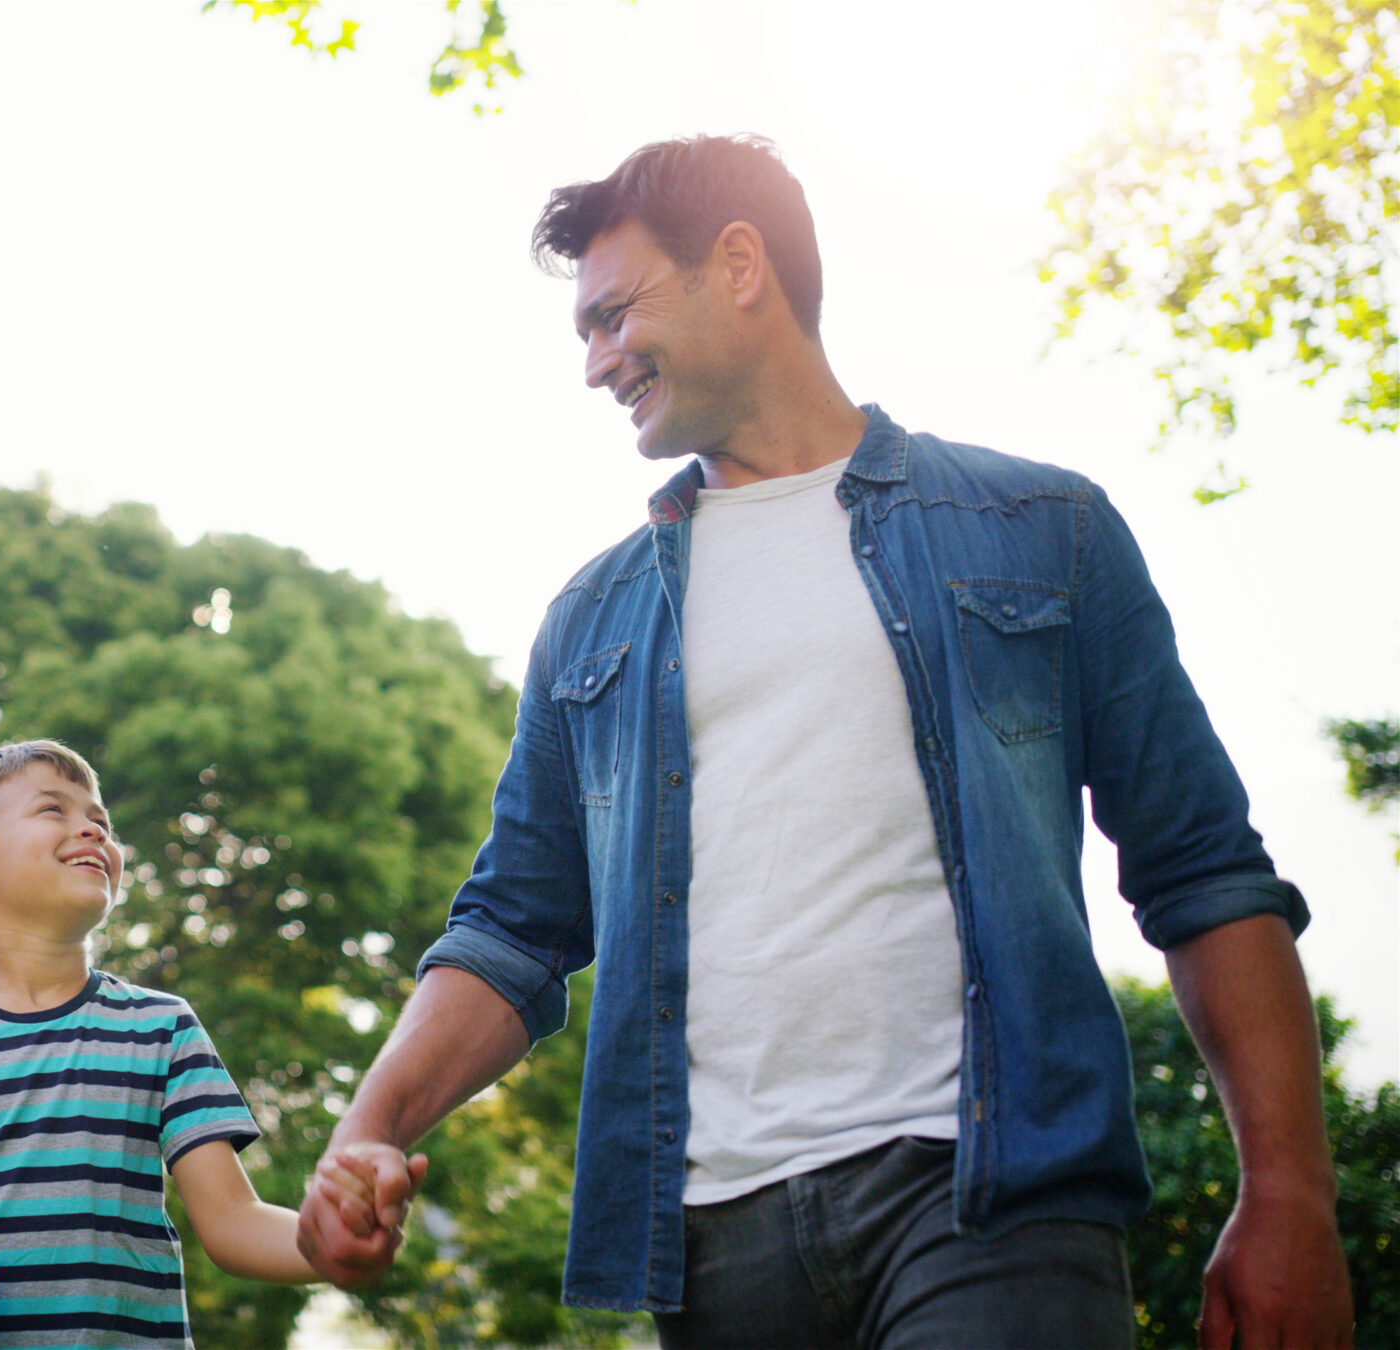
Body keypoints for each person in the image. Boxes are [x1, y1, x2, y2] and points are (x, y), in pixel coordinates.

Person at [298, 136, 1352, 1348]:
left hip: (990, 1203)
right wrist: (367, 1128)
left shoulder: (1037, 531)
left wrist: (1286, 1196)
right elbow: (510, 929)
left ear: (738, 264)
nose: (594, 363)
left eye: (611, 315)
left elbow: (1202, 871)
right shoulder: (593, 622)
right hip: (709, 1246)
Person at [0, 740, 322, 1348]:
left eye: (100, 822)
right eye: (54, 810)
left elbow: (233, 1222)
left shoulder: (163, 1027)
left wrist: (331, 1244)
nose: (91, 830)